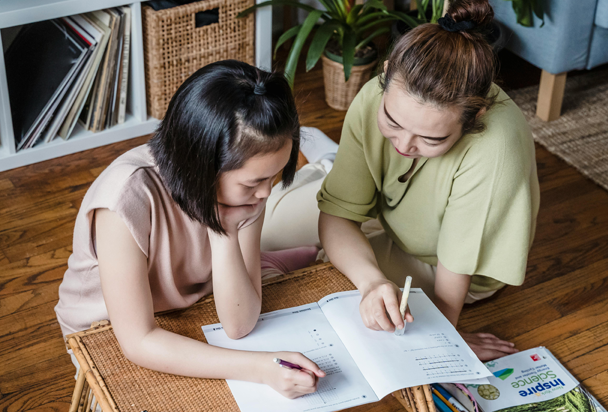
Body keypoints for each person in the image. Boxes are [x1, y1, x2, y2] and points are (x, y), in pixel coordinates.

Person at [55, 60, 326, 399]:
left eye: (274, 176)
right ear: (204, 165)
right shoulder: (125, 197)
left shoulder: (248, 194)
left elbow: (239, 324)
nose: (266, 193)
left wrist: (224, 232)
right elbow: (138, 341)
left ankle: (289, 240)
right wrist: (260, 368)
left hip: (192, 303)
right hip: (109, 329)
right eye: (255, 181)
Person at [315, 0, 540, 361]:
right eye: (393, 121)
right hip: (389, 221)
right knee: (273, 226)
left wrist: (443, 335)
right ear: (386, 75)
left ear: (474, 116)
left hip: (448, 267)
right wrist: (372, 281)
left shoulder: (495, 148)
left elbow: (455, 268)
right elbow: (338, 213)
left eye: (431, 139)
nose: (404, 144)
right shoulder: (375, 94)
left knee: (331, 283)